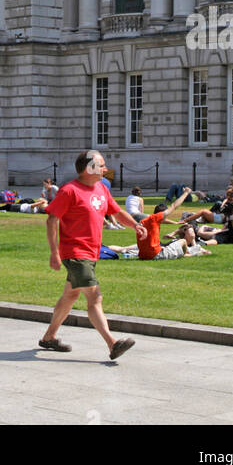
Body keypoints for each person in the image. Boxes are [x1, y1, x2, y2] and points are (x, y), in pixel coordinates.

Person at [38, 149, 146, 359]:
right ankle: (112, 343)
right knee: (94, 296)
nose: (106, 169)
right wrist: (54, 252)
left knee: (71, 294)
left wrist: (136, 225)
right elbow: (51, 219)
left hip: (92, 252)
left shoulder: (101, 189)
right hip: (75, 252)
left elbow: (115, 212)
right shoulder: (69, 191)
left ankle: (49, 337)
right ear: (89, 168)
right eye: (102, 165)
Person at [136, 190, 208, 259]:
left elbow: (163, 221)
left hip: (142, 256)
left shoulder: (145, 221)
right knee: (183, 241)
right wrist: (186, 193)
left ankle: (187, 253)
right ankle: (189, 254)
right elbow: (174, 206)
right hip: (156, 254)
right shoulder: (156, 218)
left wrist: (175, 223)